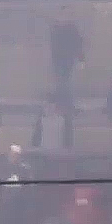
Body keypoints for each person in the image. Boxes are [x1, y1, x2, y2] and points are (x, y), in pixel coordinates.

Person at [48, 18, 85, 148]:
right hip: (63, 60)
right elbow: (77, 44)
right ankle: (64, 105)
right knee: (63, 82)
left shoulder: (63, 29)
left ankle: (64, 104)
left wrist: (80, 58)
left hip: (64, 60)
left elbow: (77, 44)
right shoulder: (63, 29)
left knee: (63, 82)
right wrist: (81, 58)